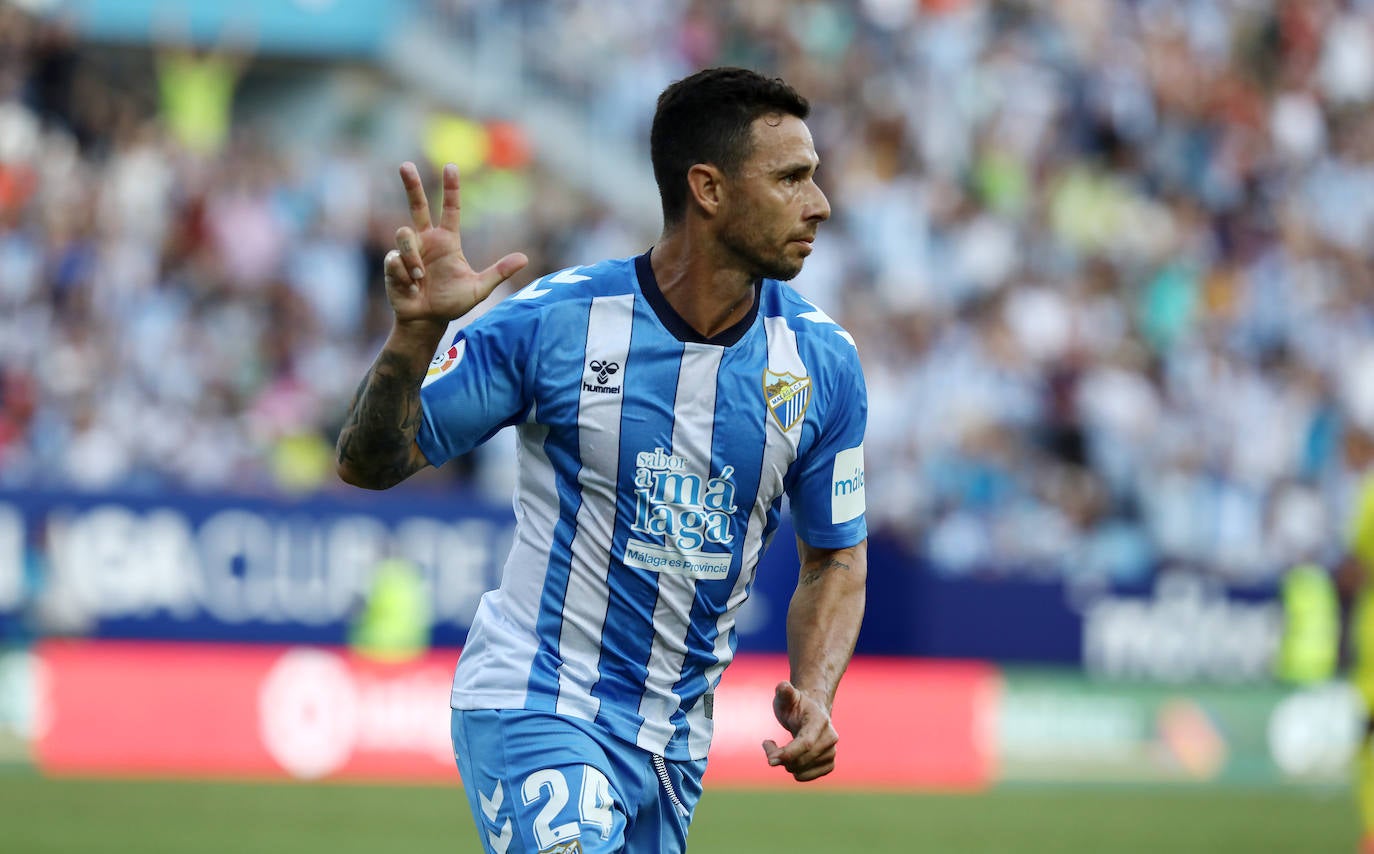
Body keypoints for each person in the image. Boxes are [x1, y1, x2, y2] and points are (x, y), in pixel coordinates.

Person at [336, 67, 867, 853]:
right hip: (536, 697)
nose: (819, 203)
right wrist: (412, 344)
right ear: (708, 189)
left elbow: (835, 558)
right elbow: (370, 462)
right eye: (792, 178)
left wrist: (817, 691)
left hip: (673, 746)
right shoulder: (557, 324)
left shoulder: (822, 363)